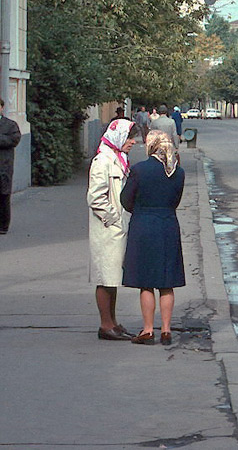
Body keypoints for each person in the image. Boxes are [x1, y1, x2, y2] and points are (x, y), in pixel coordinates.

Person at [121, 130, 186, 345]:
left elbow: (126, 200)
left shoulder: (139, 170)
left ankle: (148, 330)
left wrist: (141, 210)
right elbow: (175, 201)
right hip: (168, 225)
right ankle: (166, 330)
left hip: (144, 226)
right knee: (167, 282)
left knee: (146, 282)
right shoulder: (178, 172)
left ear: (151, 145)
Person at [88, 118, 139, 341]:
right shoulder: (103, 161)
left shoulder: (118, 159)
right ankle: (105, 325)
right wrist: (114, 219)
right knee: (105, 276)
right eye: (129, 138)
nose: (133, 142)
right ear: (118, 137)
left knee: (113, 276)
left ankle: (113, 322)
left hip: (117, 228)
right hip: (107, 229)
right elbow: (95, 197)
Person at [0, 98, 22, 234]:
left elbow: (14, 139)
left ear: (1, 108)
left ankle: (3, 226)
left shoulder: (10, 125)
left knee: (3, 195)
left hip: (3, 166)